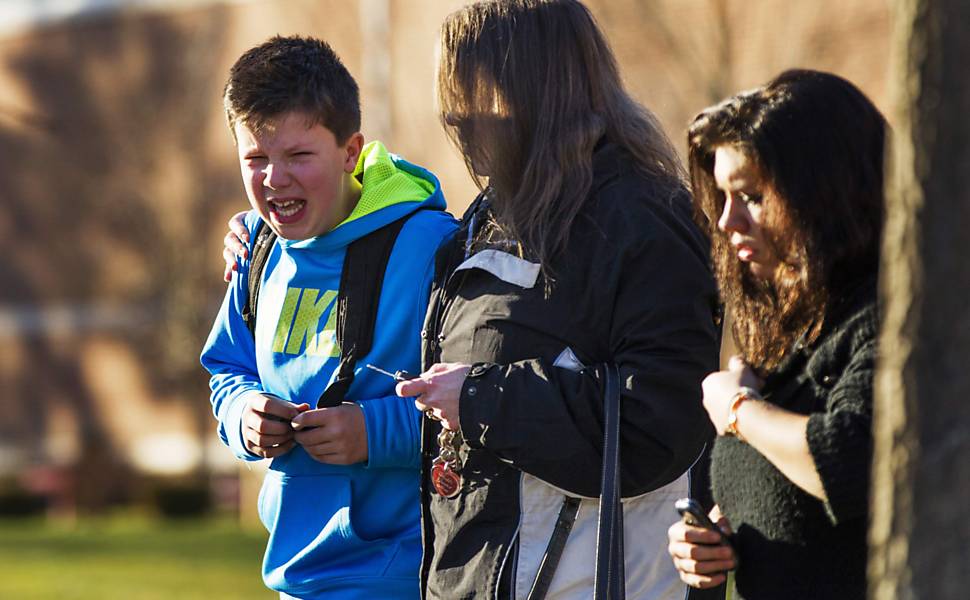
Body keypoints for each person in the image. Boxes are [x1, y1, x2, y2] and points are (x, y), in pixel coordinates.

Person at [393, 1, 720, 598]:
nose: (456, 116)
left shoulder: (643, 220)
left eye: (475, 93)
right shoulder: (492, 214)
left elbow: (660, 422)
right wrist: (268, 236)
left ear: (536, 90)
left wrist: (481, 398)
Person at [200, 35, 456, 599]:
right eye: (256, 158)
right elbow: (226, 369)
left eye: (298, 156)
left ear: (349, 151)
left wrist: (375, 433)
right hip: (293, 576)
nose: (274, 179)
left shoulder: (431, 248)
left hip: (411, 575)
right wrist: (244, 415)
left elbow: (491, 403)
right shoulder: (255, 249)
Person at [666, 69, 886, 600]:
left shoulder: (892, 317)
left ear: (826, 192)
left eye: (752, 197)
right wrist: (713, 542)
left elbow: (844, 461)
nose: (726, 221)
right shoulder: (794, 329)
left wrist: (738, 409)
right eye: (722, 196)